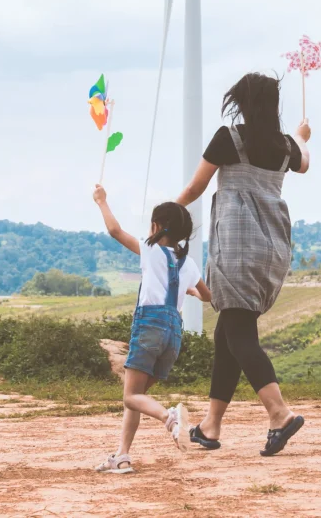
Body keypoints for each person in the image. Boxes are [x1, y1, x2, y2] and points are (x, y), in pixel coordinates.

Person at [176, 72, 311, 457]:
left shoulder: (228, 138)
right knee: (228, 334)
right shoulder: (286, 147)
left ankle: (279, 413)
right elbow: (305, 161)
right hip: (273, 246)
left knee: (239, 333)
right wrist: (301, 135)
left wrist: (170, 212)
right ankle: (210, 425)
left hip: (237, 246)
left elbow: (196, 188)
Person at [92, 185, 212, 474]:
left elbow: (115, 231)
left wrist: (102, 202)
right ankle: (122, 456)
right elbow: (207, 296)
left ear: (156, 227)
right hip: (174, 333)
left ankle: (168, 417)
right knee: (136, 398)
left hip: (150, 325)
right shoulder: (189, 263)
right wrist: (191, 292)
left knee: (131, 396)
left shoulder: (149, 248)